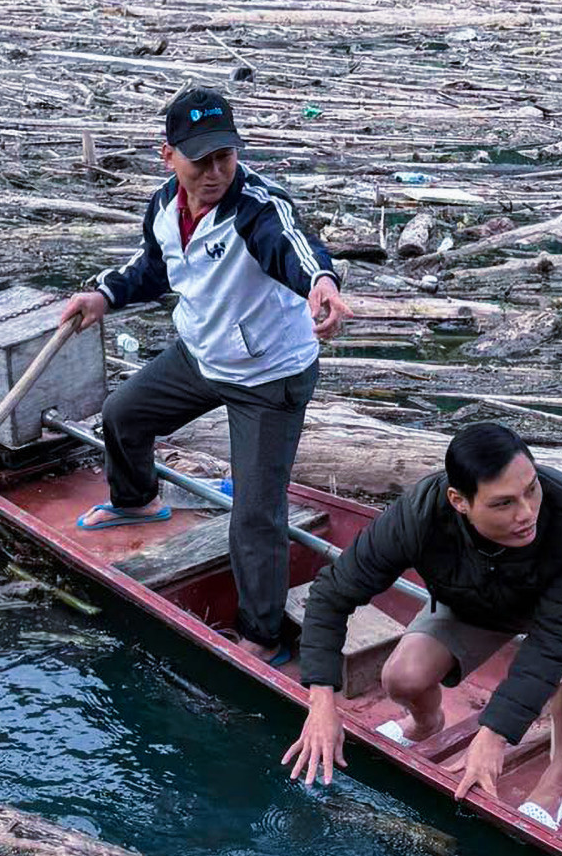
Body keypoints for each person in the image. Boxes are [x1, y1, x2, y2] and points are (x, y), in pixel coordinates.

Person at [59, 87, 348, 664]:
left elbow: (295, 248)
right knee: (123, 415)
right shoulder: (166, 206)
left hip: (268, 376)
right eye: (201, 160)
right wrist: (103, 295)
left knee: (256, 514)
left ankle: (262, 635)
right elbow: (153, 266)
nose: (215, 172)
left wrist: (322, 283)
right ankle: (137, 501)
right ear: (168, 156)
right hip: (203, 354)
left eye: (225, 157)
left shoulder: (258, 208)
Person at [283, 423, 562, 833]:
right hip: (474, 593)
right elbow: (332, 594)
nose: (526, 513)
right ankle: (425, 723)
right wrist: (321, 703)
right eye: (503, 504)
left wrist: (494, 733)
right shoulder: (417, 515)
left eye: (531, 490)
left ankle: (554, 787)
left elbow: (554, 638)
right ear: (459, 501)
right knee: (402, 677)